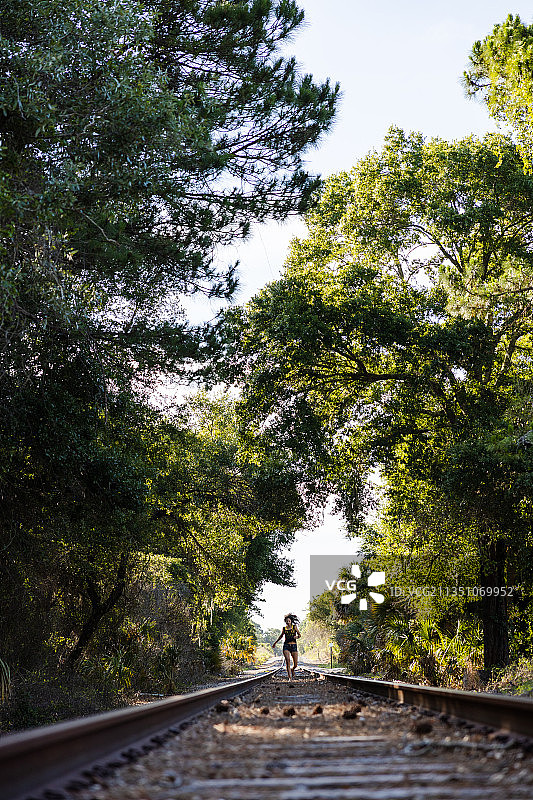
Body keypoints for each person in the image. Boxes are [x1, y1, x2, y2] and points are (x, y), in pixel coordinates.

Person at [272, 613, 301, 679]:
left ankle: (292, 669)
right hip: (286, 646)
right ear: (285, 622)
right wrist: (275, 643)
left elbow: (299, 635)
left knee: (295, 664)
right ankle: (290, 678)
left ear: (291, 621)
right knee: (287, 661)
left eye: (289, 621)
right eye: (287, 621)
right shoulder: (284, 629)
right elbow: (281, 636)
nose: (288, 622)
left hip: (294, 646)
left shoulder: (294, 627)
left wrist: (296, 637)